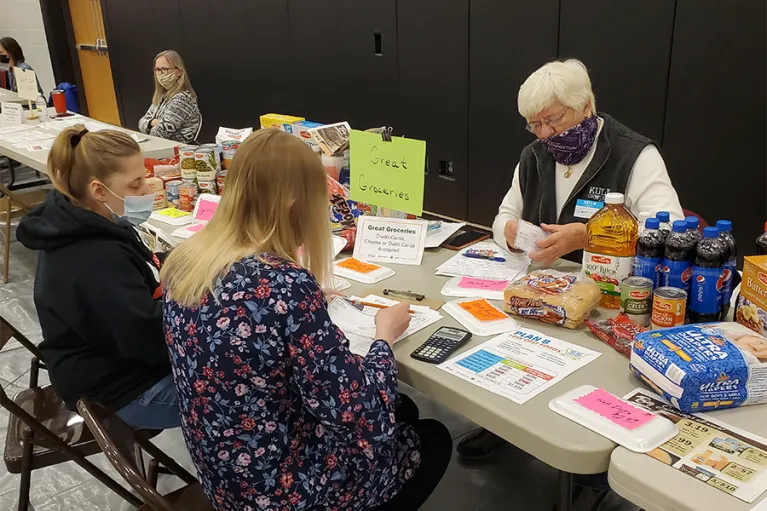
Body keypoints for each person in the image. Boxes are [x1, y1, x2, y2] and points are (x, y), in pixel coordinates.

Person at [161, 129, 452, 511]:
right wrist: (384, 338)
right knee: (431, 437)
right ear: (294, 203)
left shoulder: (187, 261)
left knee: (403, 410)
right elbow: (365, 418)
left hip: (224, 473)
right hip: (286, 492)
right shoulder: (285, 286)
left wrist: (310, 303)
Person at [462, 59, 685, 461]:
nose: (545, 134)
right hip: (543, 291)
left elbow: (668, 231)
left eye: (553, 119)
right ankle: (504, 425)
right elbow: (503, 215)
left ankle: (590, 471)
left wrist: (590, 234)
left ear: (585, 105)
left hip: (611, 301)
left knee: (591, 387)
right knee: (514, 365)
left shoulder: (634, 154)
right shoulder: (533, 155)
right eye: (535, 124)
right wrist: (509, 232)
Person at [16, 125, 180, 430]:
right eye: (136, 184)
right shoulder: (93, 259)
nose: (148, 190)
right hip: (119, 391)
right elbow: (150, 340)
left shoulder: (87, 219)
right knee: (252, 394)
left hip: (112, 363)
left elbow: (145, 274)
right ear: (98, 190)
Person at [138, 50, 201, 144]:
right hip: (162, 147)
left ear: (179, 72)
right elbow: (140, 124)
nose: (160, 73)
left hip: (179, 151)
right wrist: (152, 122)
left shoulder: (183, 99)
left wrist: (150, 125)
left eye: (164, 69)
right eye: (157, 70)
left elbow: (159, 134)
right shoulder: (161, 97)